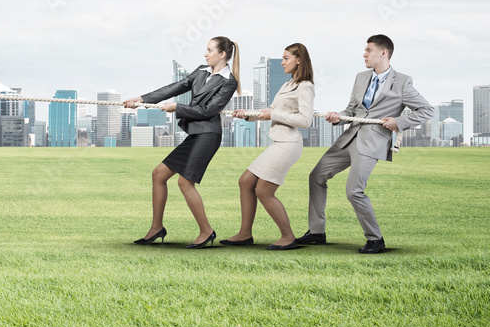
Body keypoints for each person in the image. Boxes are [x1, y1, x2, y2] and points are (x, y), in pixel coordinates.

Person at [294, 34, 432, 254]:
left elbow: (427, 110)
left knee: (354, 191)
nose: (364, 54)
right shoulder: (360, 77)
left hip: (372, 141)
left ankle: (375, 239)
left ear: (383, 52)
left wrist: (399, 122)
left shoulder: (403, 82)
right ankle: (317, 232)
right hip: (349, 137)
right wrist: (339, 116)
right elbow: (352, 111)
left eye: (368, 50)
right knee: (316, 176)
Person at [123, 36, 240, 248]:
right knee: (159, 174)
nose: (205, 54)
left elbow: (208, 111)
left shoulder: (229, 82)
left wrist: (177, 108)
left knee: (185, 182)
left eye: (209, 50)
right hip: (195, 133)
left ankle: (207, 231)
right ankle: (156, 228)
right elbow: (175, 87)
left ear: (222, 54)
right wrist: (141, 99)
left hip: (208, 135)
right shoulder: (201, 71)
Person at [221, 43, 314, 250]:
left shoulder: (305, 86)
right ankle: (245, 234)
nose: (282, 62)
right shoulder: (288, 84)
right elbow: (271, 110)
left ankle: (288, 236)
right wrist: (248, 115)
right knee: (246, 181)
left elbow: (306, 120)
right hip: (278, 142)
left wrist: (274, 114)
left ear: (298, 60)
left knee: (264, 191)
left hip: (289, 143)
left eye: (286, 58)